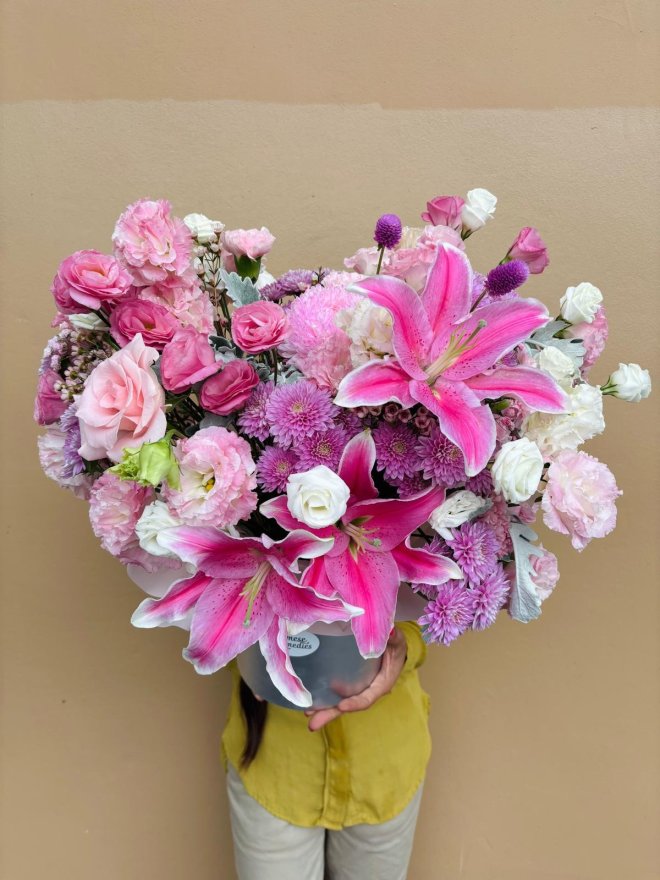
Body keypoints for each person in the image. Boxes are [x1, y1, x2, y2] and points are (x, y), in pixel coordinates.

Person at [222, 622, 431, 880]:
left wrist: (403, 647)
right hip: (272, 759)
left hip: (383, 763)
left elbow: (434, 615)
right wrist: (246, 648)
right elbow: (216, 616)